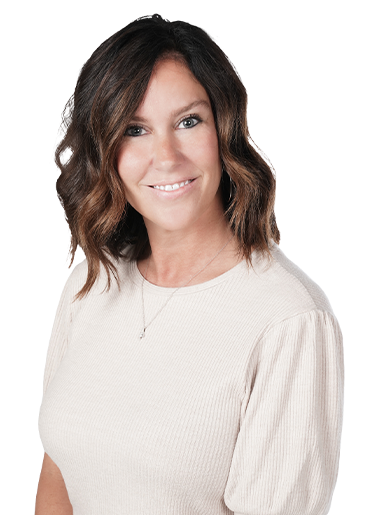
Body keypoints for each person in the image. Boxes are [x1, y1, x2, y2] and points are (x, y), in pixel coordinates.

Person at [36, 14, 344, 514]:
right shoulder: (92, 283)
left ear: (225, 129)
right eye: (135, 129)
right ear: (105, 149)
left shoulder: (287, 319)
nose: (166, 156)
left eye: (188, 121)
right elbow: (59, 472)